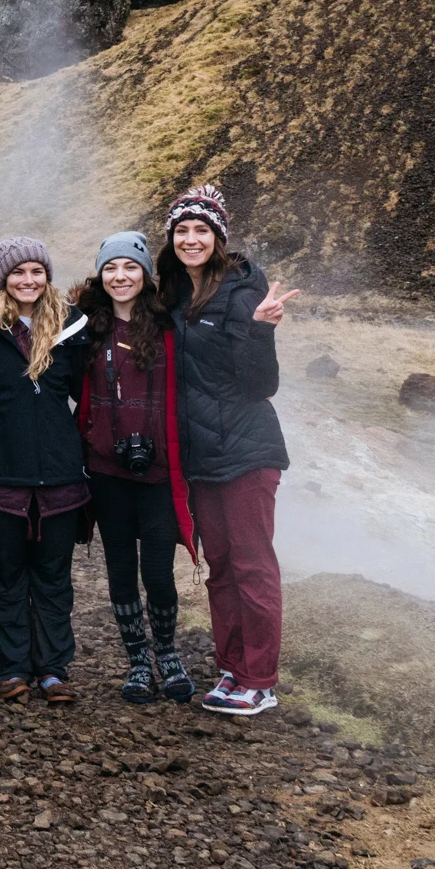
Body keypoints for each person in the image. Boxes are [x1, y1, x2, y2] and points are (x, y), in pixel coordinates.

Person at [156, 184, 299, 717]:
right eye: (182, 230)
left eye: (202, 230)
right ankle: (232, 668)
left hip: (246, 452)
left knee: (252, 565)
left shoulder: (242, 292)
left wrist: (261, 331)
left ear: (218, 238)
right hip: (201, 457)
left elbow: (261, 385)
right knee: (220, 565)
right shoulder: (173, 296)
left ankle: (259, 680)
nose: (191, 239)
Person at [0, 236, 93, 703]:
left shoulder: (72, 328)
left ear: (47, 276)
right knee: (9, 576)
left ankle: (53, 670)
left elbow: (89, 393)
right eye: (18, 272)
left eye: (37, 271)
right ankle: (14, 667)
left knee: (54, 577)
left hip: (61, 477)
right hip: (2, 477)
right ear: (3, 278)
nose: (28, 280)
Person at [73, 231, 198, 704]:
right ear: (100, 276)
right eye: (110, 268)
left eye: (130, 267)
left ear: (145, 274)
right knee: (121, 569)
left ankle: (167, 652)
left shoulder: (170, 326)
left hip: (160, 471)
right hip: (106, 470)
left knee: (159, 572)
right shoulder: (86, 329)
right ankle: (138, 661)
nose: (120, 276)